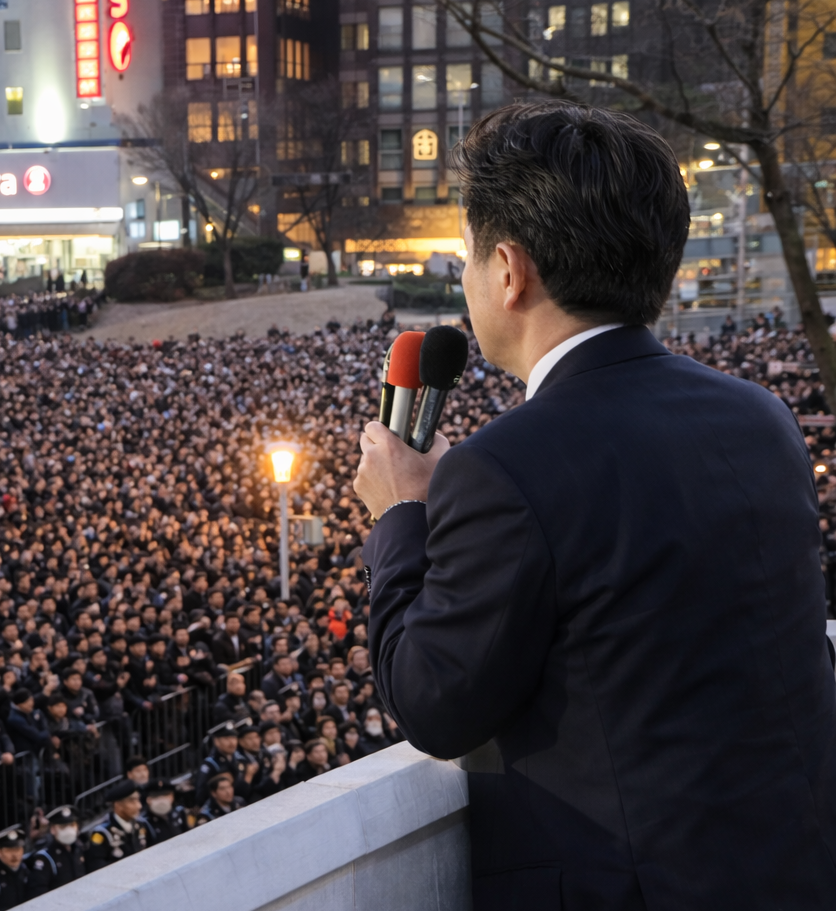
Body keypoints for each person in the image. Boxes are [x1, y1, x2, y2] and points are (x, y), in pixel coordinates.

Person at [355, 101, 836, 909]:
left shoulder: (503, 467)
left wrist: (402, 515)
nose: (464, 280)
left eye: (465, 258)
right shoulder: (759, 416)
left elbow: (434, 703)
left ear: (508, 272)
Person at [82, 782, 151, 873]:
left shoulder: (141, 825)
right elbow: (97, 869)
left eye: (138, 800)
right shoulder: (102, 833)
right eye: (132, 801)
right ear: (118, 805)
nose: (139, 806)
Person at [25, 807, 84, 898]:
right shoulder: (46, 857)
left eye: (72, 825)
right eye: (62, 827)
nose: (68, 830)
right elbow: (38, 893)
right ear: (53, 829)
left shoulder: (79, 849)